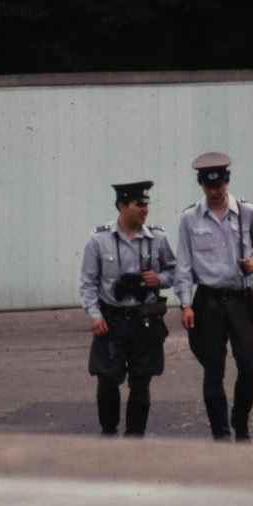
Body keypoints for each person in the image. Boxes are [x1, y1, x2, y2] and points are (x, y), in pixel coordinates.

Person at [175, 151, 253, 441]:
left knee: (250, 364)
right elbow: (183, 265)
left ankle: (240, 422)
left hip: (241, 298)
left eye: (219, 185)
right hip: (208, 301)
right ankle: (220, 435)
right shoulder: (189, 218)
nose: (214, 191)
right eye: (208, 186)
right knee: (213, 367)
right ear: (201, 185)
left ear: (227, 182)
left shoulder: (246, 212)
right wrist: (184, 303)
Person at [79, 180, 177, 437]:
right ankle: (108, 432)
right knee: (107, 379)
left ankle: (135, 436)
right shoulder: (99, 240)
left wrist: (160, 280)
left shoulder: (158, 239)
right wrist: (95, 314)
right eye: (139, 204)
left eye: (146, 204)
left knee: (141, 381)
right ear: (122, 205)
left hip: (145, 320)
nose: (145, 210)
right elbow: (88, 283)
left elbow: (175, 271)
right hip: (111, 319)